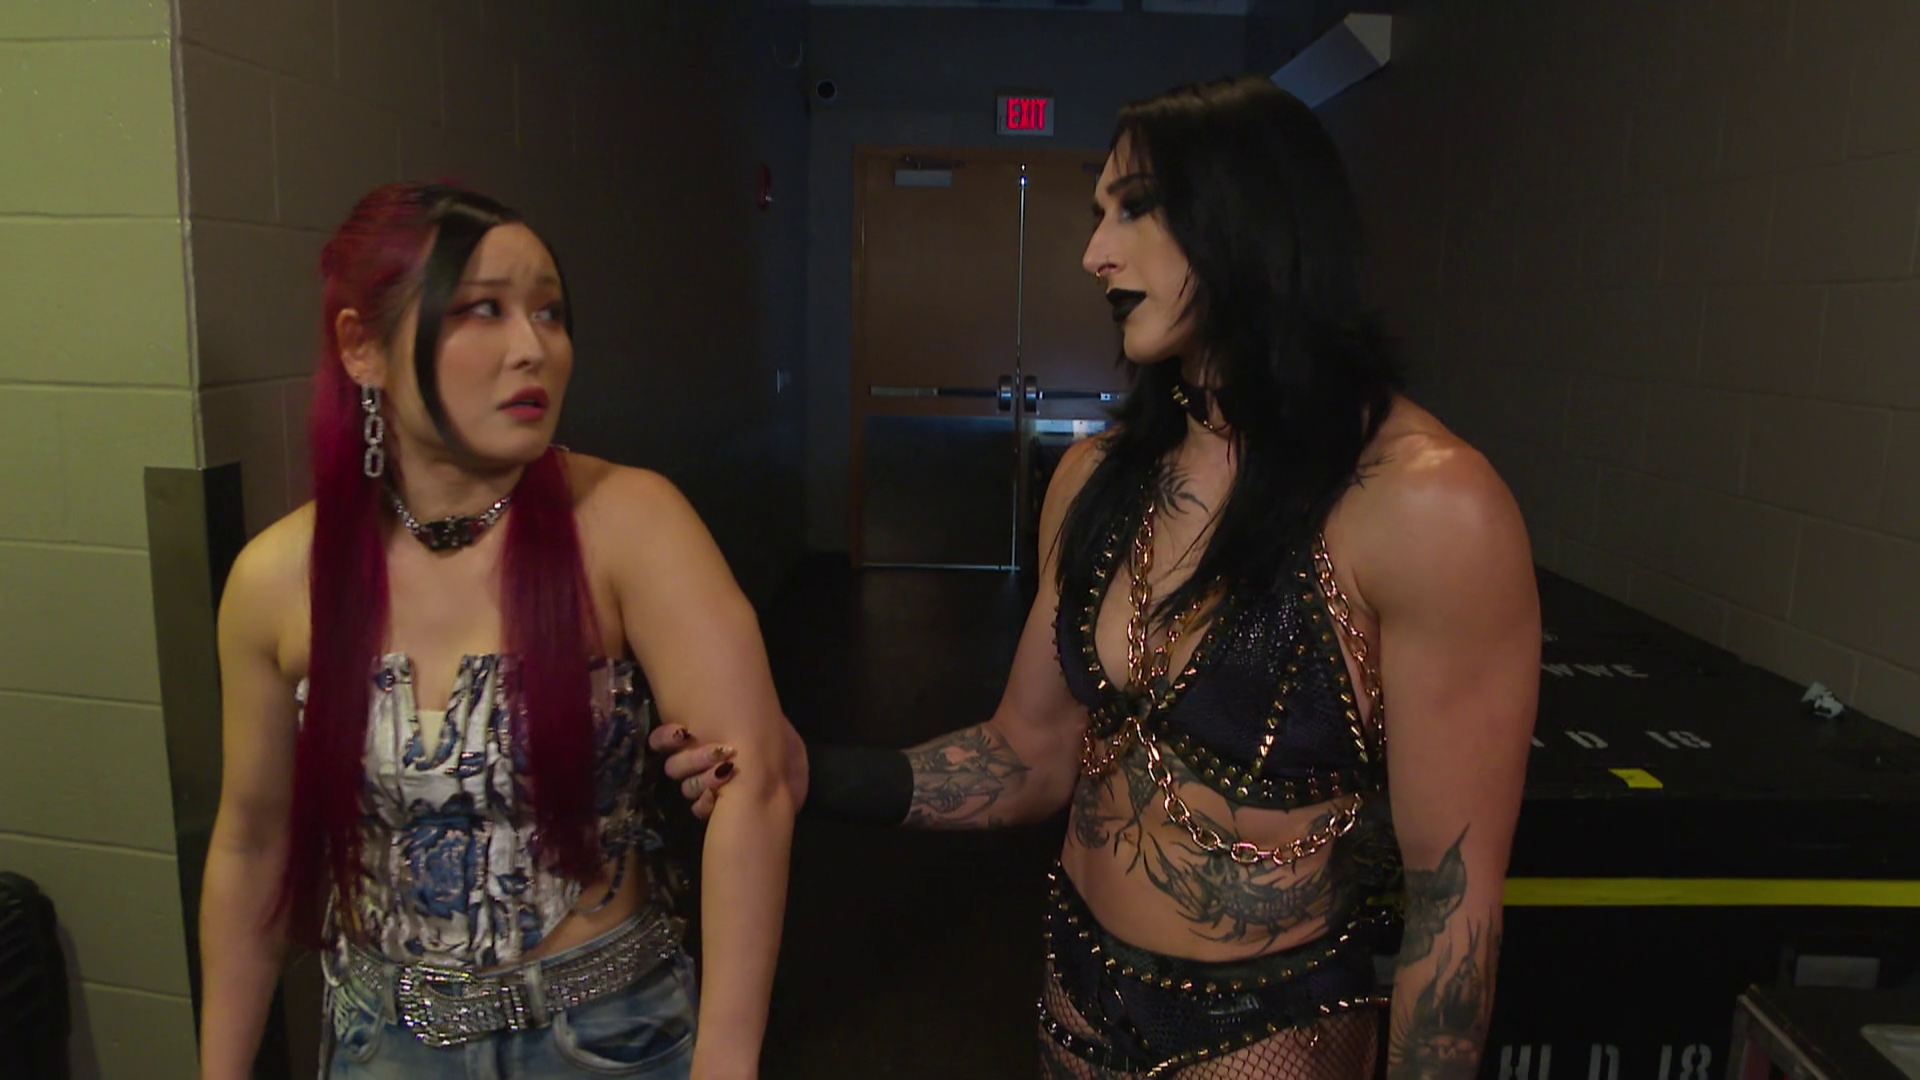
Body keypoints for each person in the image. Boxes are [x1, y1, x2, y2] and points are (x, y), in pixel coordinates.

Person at [658, 76, 1540, 1079]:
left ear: (1249, 216)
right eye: (1097, 214)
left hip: (1267, 1038)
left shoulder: (1427, 505)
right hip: (1076, 1006)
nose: (1094, 254)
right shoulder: (1096, 481)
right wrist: (808, 771)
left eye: (1134, 208)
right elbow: (1027, 754)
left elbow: (1451, 908)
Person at [196, 182, 795, 1079]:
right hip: (381, 1044)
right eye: (483, 310)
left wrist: (727, 1060)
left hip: (605, 1035)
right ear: (362, 347)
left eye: (549, 312)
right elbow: (252, 843)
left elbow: (757, 784)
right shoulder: (279, 579)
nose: (534, 348)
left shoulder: (631, 522)